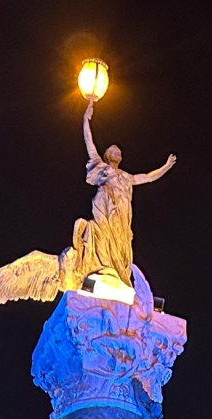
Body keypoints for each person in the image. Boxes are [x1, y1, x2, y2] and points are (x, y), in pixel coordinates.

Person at [72, 100, 176, 288]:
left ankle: (118, 274)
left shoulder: (128, 177)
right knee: (104, 239)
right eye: (113, 150)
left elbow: (148, 177)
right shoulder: (101, 167)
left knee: (121, 245)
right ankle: (102, 270)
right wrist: (85, 119)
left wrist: (165, 167)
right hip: (105, 210)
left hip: (122, 216)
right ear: (106, 155)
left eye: (119, 152)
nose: (117, 152)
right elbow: (89, 142)